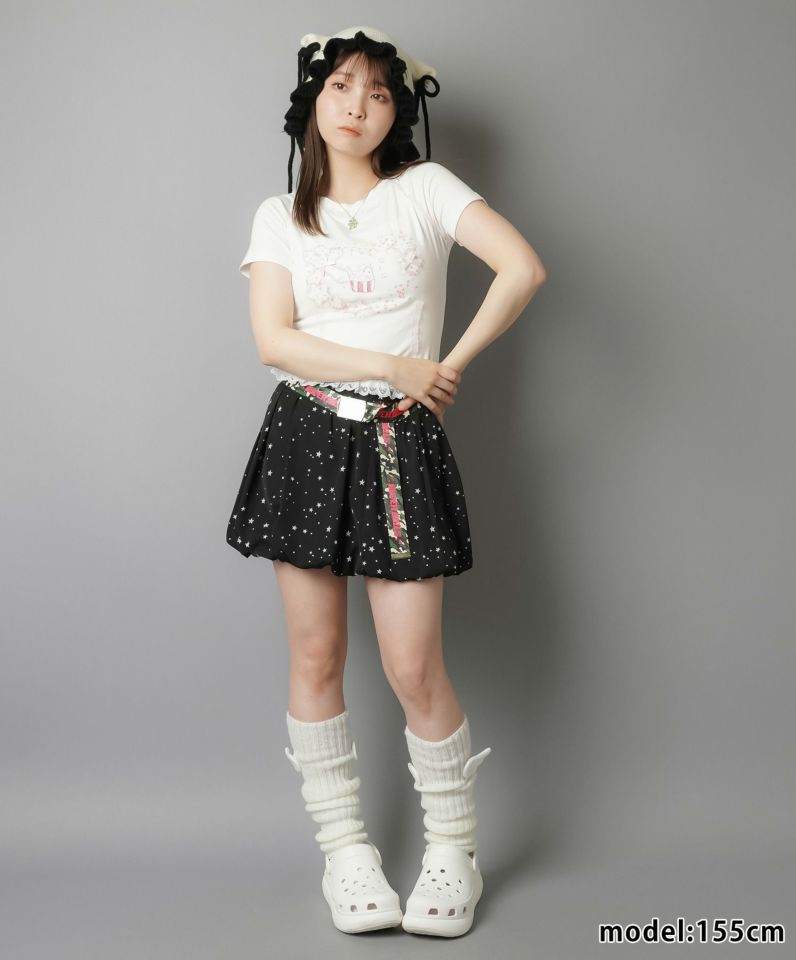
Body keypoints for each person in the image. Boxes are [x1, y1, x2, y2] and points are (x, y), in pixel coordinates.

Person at [226, 26, 547, 937]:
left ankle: (453, 852)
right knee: (317, 656)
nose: (357, 106)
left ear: (397, 109)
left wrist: (445, 367)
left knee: (413, 666)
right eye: (340, 87)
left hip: (401, 441)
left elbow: (522, 268)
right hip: (305, 432)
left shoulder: (426, 189)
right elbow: (273, 340)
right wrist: (390, 363)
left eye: (376, 92)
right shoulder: (279, 214)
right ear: (312, 102)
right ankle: (347, 855)